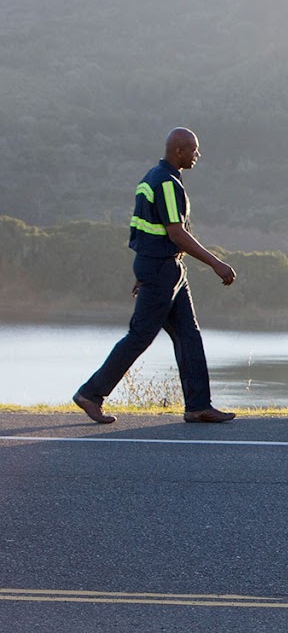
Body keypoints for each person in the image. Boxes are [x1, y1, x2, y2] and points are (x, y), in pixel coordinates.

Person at [72, 128, 238, 424]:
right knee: (140, 335)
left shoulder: (153, 178)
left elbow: (145, 229)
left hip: (165, 269)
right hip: (161, 269)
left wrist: (143, 269)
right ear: (178, 152)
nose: (197, 155)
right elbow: (176, 233)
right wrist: (216, 263)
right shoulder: (166, 183)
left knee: (189, 336)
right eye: (193, 150)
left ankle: (198, 405)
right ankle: (91, 393)